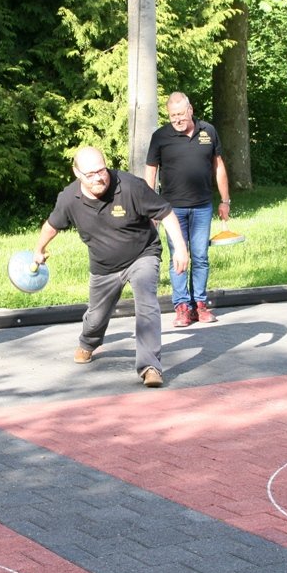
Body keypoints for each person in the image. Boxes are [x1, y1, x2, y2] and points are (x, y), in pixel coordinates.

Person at [33, 147, 189, 388]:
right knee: (96, 317)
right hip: (104, 266)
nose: (98, 178)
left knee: (147, 303)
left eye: (101, 170)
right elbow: (52, 225)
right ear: (77, 173)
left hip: (142, 254)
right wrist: (39, 249)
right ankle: (88, 342)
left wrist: (180, 248)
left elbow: (166, 213)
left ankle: (150, 367)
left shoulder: (130, 186)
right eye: (90, 174)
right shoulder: (69, 198)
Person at [144, 92, 231, 327]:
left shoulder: (208, 131)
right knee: (179, 257)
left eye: (181, 114)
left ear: (190, 110)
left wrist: (225, 200)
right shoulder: (160, 136)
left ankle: (200, 304)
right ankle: (182, 306)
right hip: (172, 210)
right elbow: (151, 171)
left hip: (203, 206)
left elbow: (218, 166)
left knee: (201, 256)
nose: (177, 120)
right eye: (173, 116)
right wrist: (151, 207)